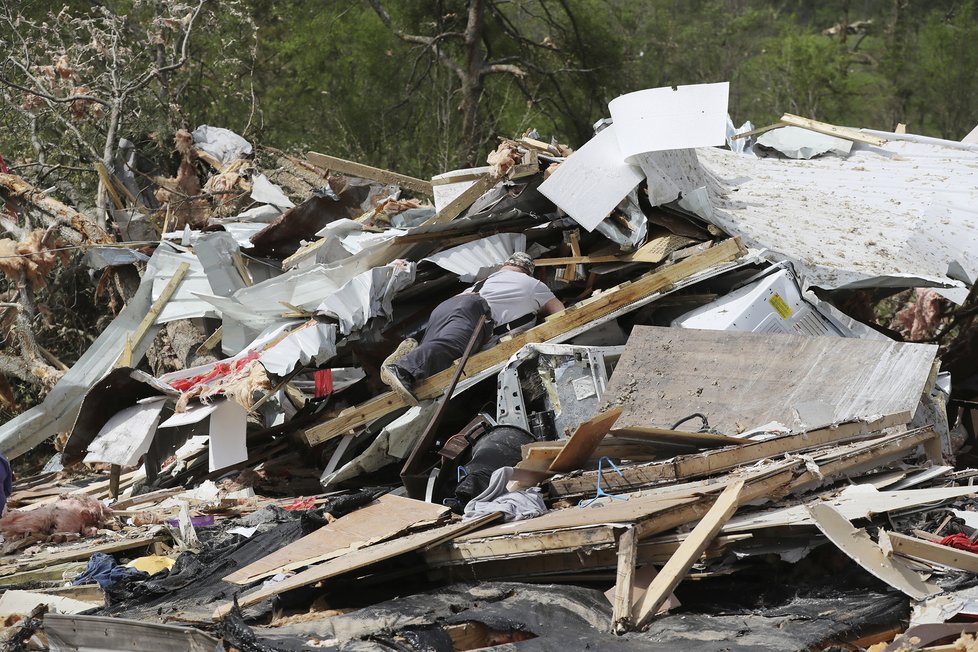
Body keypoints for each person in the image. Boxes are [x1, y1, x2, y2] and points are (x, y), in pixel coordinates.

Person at [382, 252, 564, 404]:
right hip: (475, 311)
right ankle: (401, 369)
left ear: (506, 265)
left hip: (447, 306)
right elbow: (560, 313)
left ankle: (409, 360)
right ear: (529, 271)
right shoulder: (535, 285)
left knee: (440, 357)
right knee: (452, 346)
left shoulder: (491, 278)